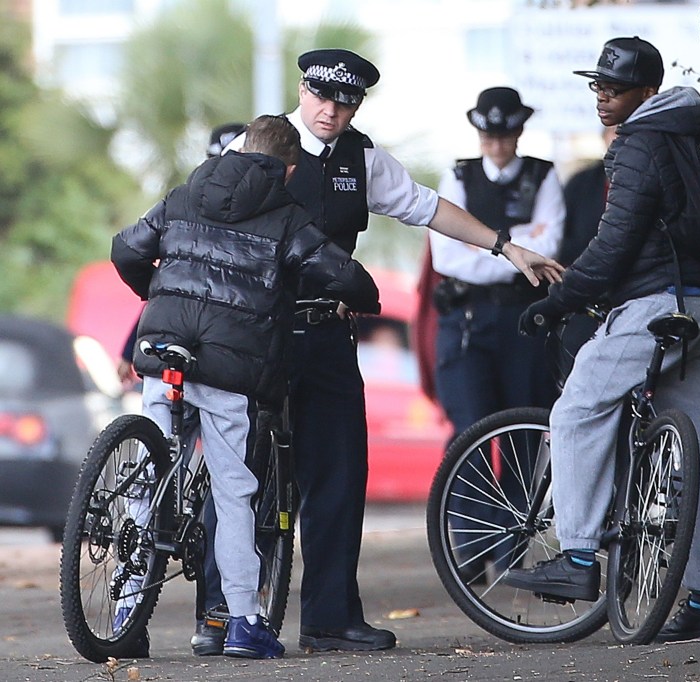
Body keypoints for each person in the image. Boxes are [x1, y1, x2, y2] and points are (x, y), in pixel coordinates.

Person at [196, 49, 563, 656]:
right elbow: (206, 218)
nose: (331, 112)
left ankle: (330, 618)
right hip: (256, 332)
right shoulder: (256, 144)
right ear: (302, 88)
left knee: (340, 470)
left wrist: (505, 246)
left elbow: (426, 206)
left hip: (325, 331)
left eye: (346, 103)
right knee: (242, 472)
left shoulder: (361, 155)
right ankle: (218, 616)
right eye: (322, 97)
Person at [110, 114, 381, 659]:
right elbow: (339, 272)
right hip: (228, 365)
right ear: (289, 167)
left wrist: (156, 296)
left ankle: (124, 616)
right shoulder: (285, 214)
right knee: (234, 490)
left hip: (162, 349)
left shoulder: (186, 191)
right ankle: (241, 623)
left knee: (146, 475)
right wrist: (366, 297)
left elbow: (126, 249)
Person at [502, 36, 700, 643]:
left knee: (577, 408)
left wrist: (560, 300)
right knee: (698, 453)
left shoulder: (638, 143)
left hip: (652, 309)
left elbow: (613, 245)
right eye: (598, 86)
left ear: (646, 93)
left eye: (615, 88)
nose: (603, 97)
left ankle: (577, 557)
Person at [429, 86, 564, 580]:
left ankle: (512, 548)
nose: (497, 144)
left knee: (523, 434)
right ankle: (470, 547)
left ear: (519, 132)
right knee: (467, 433)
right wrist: (515, 249)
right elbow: (446, 256)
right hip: (467, 324)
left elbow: (551, 243)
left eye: (505, 134)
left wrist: (486, 249)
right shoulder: (459, 176)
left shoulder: (542, 175)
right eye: (489, 134)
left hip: (523, 324)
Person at [116, 122, 247, 388]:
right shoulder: (184, 204)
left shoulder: (266, 214)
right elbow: (167, 286)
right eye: (217, 161)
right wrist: (129, 348)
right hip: (183, 337)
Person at [557, 125, 617, 267]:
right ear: (604, 137)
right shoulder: (580, 184)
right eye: (615, 132)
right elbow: (562, 239)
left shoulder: (652, 181)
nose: (620, 138)